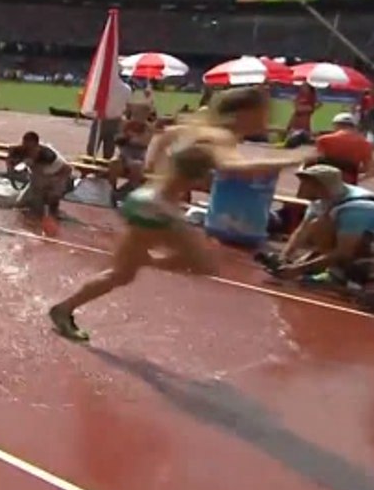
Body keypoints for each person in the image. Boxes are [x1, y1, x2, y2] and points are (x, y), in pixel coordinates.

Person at [49, 87, 312, 341]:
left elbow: (164, 136)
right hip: (159, 208)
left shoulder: (199, 127)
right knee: (202, 265)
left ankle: (64, 308)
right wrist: (290, 160)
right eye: (263, 113)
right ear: (245, 113)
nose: (267, 120)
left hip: (144, 200)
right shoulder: (221, 137)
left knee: (121, 274)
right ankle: (146, 262)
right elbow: (234, 166)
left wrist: (155, 164)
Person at [268, 165, 374, 289]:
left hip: (368, 250)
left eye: (306, 183)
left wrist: (298, 269)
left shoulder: (357, 209)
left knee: (321, 225)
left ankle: (339, 274)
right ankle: (335, 271)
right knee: (318, 224)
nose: (301, 187)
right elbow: (301, 231)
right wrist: (283, 257)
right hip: (359, 244)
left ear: (320, 186)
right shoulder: (323, 200)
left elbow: (344, 251)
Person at [7, 132, 72, 217]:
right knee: (20, 203)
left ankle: (53, 213)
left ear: (37, 146)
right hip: (38, 180)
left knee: (50, 199)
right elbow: (11, 161)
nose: (30, 151)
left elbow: (67, 169)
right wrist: (11, 164)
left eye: (32, 149)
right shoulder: (20, 151)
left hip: (57, 177)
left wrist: (55, 181)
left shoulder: (47, 155)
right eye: (27, 148)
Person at [313, 112, 372, 183]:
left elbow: (316, 162)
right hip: (349, 182)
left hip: (326, 180)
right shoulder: (366, 144)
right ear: (354, 126)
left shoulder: (323, 139)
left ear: (336, 125)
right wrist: (357, 176)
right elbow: (370, 170)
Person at [86, 70, 130, 159]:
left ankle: (89, 168)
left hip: (101, 119)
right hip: (115, 120)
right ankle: (105, 170)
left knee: (92, 149)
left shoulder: (104, 86)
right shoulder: (127, 89)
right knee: (109, 150)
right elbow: (125, 106)